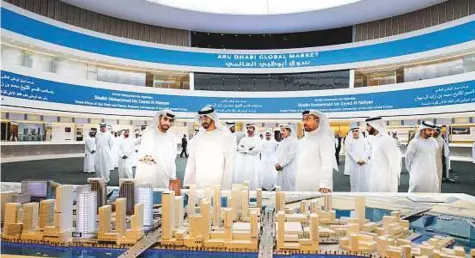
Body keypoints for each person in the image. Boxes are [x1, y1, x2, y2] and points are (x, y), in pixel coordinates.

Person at [184, 106, 235, 189]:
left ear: (213, 117)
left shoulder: (224, 137)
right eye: (201, 118)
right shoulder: (197, 137)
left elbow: (229, 164)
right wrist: (188, 183)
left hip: (217, 185)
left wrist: (226, 188)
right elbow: (191, 162)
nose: (203, 120)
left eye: (206, 117)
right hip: (199, 183)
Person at [295, 110, 338, 192]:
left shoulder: (324, 139)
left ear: (317, 121)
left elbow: (327, 162)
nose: (304, 122)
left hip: (318, 186)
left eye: (307, 119)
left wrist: (325, 183)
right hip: (301, 183)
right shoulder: (303, 140)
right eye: (303, 119)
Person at [135, 110, 177, 188]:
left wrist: (172, 177)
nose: (167, 123)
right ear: (159, 119)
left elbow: (172, 160)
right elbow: (143, 157)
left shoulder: (171, 138)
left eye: (170, 120)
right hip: (148, 177)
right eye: (165, 119)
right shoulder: (149, 134)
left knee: (163, 199)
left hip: (164, 177)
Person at [365, 117, 402, 192]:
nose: (366, 128)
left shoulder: (386, 140)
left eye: (368, 126)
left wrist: (392, 180)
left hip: (384, 177)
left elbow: (394, 161)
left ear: (375, 126)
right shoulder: (374, 139)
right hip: (375, 174)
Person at [405, 121, 439, 193]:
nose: (431, 132)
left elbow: (433, 158)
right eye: (429, 130)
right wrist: (413, 172)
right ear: (422, 130)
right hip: (418, 175)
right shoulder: (414, 142)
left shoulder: (433, 142)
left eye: (432, 130)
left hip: (431, 174)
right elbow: (408, 160)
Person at [235, 124, 263, 190]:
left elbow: (257, 150)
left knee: (253, 177)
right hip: (244, 161)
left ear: (254, 129)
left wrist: (245, 149)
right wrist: (249, 149)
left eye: (250, 128)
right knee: (244, 176)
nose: (248, 129)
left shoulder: (258, 139)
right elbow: (239, 148)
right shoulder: (243, 139)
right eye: (247, 128)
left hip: (254, 162)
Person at [345, 127, 371, 192]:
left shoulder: (364, 140)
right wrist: (357, 160)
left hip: (364, 164)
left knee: (364, 180)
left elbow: (368, 150)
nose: (355, 132)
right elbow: (349, 152)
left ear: (359, 132)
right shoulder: (349, 142)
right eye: (353, 131)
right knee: (355, 180)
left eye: (356, 131)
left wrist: (364, 160)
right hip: (354, 164)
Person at [275, 124, 298, 191]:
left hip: (289, 168)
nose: (281, 132)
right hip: (280, 169)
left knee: (289, 188)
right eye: (281, 130)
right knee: (281, 188)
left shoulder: (293, 141)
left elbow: (291, 156)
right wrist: (276, 163)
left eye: (284, 130)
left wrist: (281, 164)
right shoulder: (282, 142)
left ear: (289, 131)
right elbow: (277, 154)